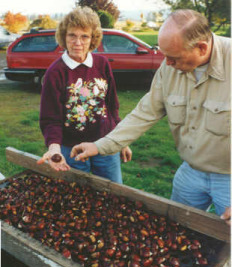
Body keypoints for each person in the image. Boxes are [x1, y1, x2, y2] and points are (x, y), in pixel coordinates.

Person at [70, 9, 231, 225]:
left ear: (202, 48)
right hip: (190, 171)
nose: (167, 64)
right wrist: (101, 146)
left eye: (173, 58)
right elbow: (144, 113)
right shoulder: (169, 65)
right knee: (176, 230)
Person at [37, 6, 132, 184]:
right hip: (72, 151)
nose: (78, 42)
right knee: (78, 202)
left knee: (113, 197)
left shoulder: (102, 64)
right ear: (64, 37)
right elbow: (50, 119)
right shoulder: (55, 72)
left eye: (84, 36)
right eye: (72, 35)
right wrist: (54, 149)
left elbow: (112, 107)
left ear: (93, 39)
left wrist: (121, 141)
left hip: (105, 146)